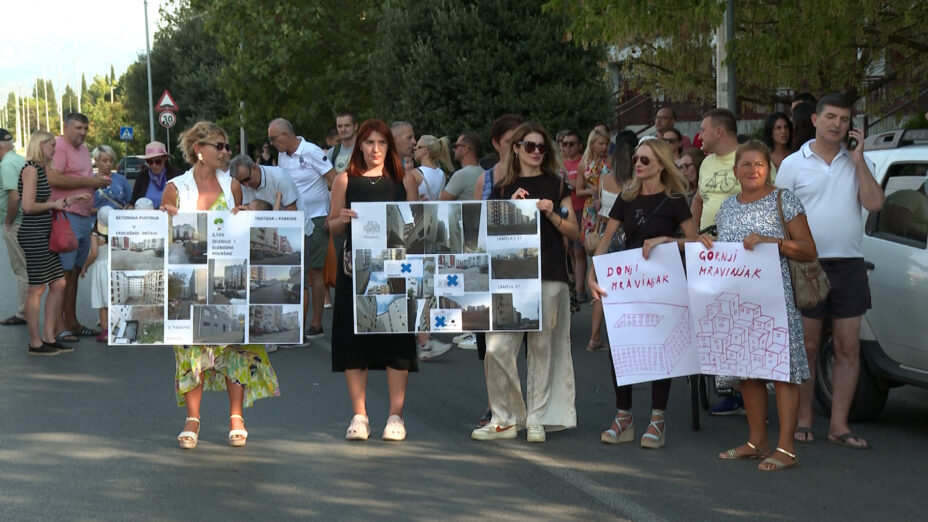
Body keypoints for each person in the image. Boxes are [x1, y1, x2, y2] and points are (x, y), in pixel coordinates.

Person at [161, 121, 280, 449]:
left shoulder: (233, 187)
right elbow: (163, 237)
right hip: (190, 282)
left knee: (235, 348)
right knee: (190, 349)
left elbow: (242, 232)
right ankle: (192, 417)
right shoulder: (176, 188)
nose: (226, 151)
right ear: (199, 149)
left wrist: (243, 216)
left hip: (229, 280)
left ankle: (236, 416)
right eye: (220, 145)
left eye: (227, 146)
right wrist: (165, 217)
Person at [701, 140, 817, 470]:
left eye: (759, 165)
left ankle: (786, 448)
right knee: (748, 370)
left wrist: (774, 242)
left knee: (782, 372)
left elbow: (809, 249)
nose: (752, 170)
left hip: (777, 299)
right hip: (740, 300)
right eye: (745, 165)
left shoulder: (784, 199)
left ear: (769, 169)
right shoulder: (727, 208)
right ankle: (756, 441)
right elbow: (724, 257)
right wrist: (706, 243)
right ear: (735, 170)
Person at [777, 93, 884, 449]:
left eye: (844, 119)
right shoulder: (793, 164)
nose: (837, 124)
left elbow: (875, 203)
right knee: (807, 345)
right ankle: (805, 419)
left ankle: (839, 425)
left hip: (849, 264)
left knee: (848, 347)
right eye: (831, 117)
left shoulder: (856, 161)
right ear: (816, 120)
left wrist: (857, 160)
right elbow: (778, 215)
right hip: (807, 264)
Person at [471, 121, 580, 443]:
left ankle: (538, 418)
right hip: (508, 277)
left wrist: (552, 214)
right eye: (529, 146)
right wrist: (507, 208)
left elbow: (575, 232)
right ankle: (505, 417)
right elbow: (479, 234)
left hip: (549, 273)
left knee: (544, 348)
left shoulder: (557, 184)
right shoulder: (501, 186)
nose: (535, 152)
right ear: (515, 148)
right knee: (497, 348)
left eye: (541, 147)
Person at [587, 138, 697, 448]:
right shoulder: (628, 196)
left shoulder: (675, 199)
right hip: (628, 281)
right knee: (621, 346)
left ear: (661, 164)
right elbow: (606, 239)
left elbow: (695, 240)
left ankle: (657, 419)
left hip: (663, 282)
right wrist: (592, 273)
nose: (638, 163)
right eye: (636, 158)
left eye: (646, 160)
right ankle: (624, 417)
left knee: (660, 348)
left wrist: (665, 239)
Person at [327, 119, 420, 441]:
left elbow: (417, 226)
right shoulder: (344, 180)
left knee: (396, 339)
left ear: (389, 147)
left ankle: (396, 416)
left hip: (395, 270)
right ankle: (360, 415)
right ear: (360, 146)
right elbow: (332, 226)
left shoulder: (403, 180)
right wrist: (341, 219)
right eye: (369, 143)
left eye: (381, 143)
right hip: (355, 271)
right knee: (355, 341)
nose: (375, 149)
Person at [18, 130, 92, 355]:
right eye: (51, 145)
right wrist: (54, 205)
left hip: (45, 233)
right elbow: (28, 206)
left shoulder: (42, 170)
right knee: (37, 288)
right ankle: (35, 342)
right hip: (34, 233)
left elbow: (52, 201)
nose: (55, 149)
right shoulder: (31, 170)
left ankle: (49, 336)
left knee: (58, 284)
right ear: (40, 146)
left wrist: (71, 199)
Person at [269, 118, 336, 342]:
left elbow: (334, 180)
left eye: (274, 139)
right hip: (293, 219)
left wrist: (332, 211)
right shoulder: (282, 156)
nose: (271, 143)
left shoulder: (312, 152)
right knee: (295, 272)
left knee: (315, 270)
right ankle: (294, 326)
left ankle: (316, 323)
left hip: (316, 217)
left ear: (286, 135)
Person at [48, 113, 111, 342]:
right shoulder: (60, 146)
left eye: (85, 128)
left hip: (84, 217)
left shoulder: (84, 150)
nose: (83, 132)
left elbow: (82, 177)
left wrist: (97, 181)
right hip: (67, 216)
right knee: (62, 274)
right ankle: (59, 325)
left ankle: (72, 321)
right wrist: (90, 182)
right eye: (78, 128)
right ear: (65, 127)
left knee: (74, 273)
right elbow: (53, 178)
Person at [585, 133, 629, 352]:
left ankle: (594, 337)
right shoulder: (631, 184)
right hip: (623, 236)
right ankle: (623, 336)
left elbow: (599, 206)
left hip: (604, 233)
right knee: (624, 287)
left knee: (601, 289)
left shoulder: (604, 180)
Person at [691, 108, 743, 232]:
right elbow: (698, 200)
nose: (699, 136)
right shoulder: (706, 162)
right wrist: (695, 234)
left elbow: (772, 201)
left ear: (719, 132)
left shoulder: (753, 159)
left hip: (742, 245)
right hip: (708, 245)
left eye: (703, 130)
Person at [575, 128, 611, 302]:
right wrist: (594, 190)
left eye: (606, 143)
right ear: (592, 144)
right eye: (601, 143)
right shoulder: (584, 163)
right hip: (590, 208)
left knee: (605, 245)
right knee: (591, 246)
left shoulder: (609, 162)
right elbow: (578, 190)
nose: (604, 147)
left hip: (606, 206)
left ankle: (602, 286)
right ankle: (591, 286)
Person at [0, 128, 28, 325]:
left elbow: (14, 196)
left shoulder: (7, 164)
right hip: (25, 220)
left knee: (21, 269)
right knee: (25, 268)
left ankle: (24, 313)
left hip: (16, 223)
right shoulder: (18, 160)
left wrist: (8, 221)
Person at [557, 129, 588, 302]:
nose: (567, 147)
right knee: (569, 250)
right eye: (564, 144)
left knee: (579, 251)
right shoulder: (560, 163)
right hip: (564, 210)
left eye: (571, 143)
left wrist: (570, 184)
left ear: (579, 145)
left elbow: (576, 185)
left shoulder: (583, 162)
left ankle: (580, 288)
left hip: (581, 209)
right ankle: (577, 284)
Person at [228, 154, 301, 212]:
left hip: (298, 226)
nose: (246, 185)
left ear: (255, 167)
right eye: (241, 182)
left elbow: (292, 213)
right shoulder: (238, 184)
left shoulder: (280, 178)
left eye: (247, 179)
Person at [80, 205, 111, 343]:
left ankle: (105, 332)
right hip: (113, 266)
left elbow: (94, 254)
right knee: (112, 301)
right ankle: (115, 329)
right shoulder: (117, 232)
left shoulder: (95, 235)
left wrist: (84, 266)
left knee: (103, 303)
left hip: (101, 268)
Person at [130, 141, 180, 209]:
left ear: (165, 159)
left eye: (158, 161)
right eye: (150, 162)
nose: (154, 165)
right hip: (144, 217)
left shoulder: (176, 176)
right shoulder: (142, 176)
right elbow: (133, 201)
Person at [440, 132, 483, 201]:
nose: (453, 150)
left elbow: (441, 203)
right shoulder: (483, 172)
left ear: (465, 149)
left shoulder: (462, 175)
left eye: (456, 146)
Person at [412, 135, 453, 201]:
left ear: (425, 150)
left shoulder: (415, 174)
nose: (414, 149)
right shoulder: (442, 174)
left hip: (420, 210)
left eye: (418, 147)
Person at [91, 145, 130, 210]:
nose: (109, 164)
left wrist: (128, 207)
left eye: (111, 161)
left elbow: (130, 202)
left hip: (118, 218)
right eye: (104, 161)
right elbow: (84, 209)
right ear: (96, 161)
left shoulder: (122, 180)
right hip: (96, 219)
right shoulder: (90, 180)